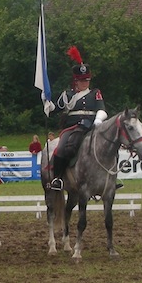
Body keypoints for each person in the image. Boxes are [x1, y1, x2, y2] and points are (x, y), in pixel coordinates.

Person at [48, 47, 107, 191]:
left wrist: (98, 121)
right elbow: (56, 108)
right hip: (72, 127)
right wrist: (47, 105)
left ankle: (111, 178)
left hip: (92, 126)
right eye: (81, 81)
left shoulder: (95, 93)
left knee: (109, 146)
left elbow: (102, 109)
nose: (85, 83)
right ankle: (58, 178)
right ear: (75, 81)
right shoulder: (68, 95)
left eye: (86, 80)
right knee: (61, 148)